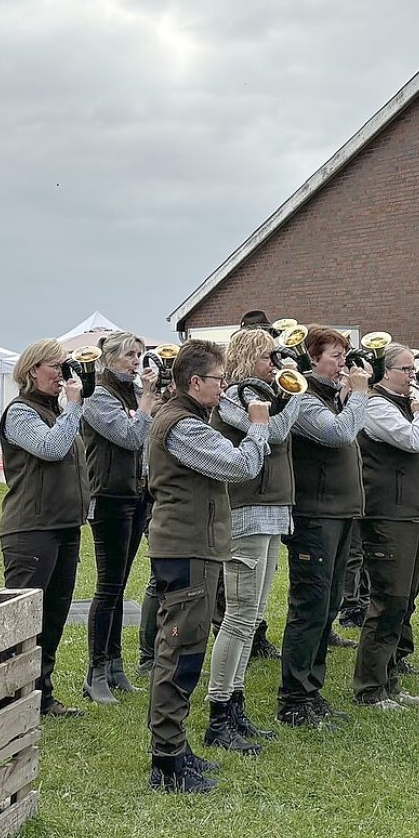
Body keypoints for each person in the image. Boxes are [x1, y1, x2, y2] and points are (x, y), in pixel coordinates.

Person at [145, 340, 270, 794]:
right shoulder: (183, 427)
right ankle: (167, 761)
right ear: (195, 382)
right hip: (187, 547)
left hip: (196, 546)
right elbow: (240, 466)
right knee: (179, 652)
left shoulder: (188, 419)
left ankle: (176, 749)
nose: (224, 387)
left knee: (187, 649)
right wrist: (257, 427)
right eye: (218, 380)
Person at [204, 328, 304, 751]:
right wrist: (296, 395)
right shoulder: (236, 397)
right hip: (246, 511)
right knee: (240, 616)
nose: (274, 364)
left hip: (271, 510)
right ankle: (219, 712)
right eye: (267, 357)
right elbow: (272, 433)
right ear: (248, 358)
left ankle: (236, 702)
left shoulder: (261, 392)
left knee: (254, 614)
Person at [277, 325, 370, 728]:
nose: (343, 365)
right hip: (314, 515)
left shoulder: (333, 396)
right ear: (311, 358)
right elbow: (337, 434)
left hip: (338, 512)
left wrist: (350, 397)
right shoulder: (305, 397)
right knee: (310, 606)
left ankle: (311, 689)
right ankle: (293, 698)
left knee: (329, 604)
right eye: (335, 356)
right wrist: (360, 396)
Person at [0, 339, 90, 720]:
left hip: (64, 526)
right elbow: (50, 448)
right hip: (31, 528)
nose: (63, 374)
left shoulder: (56, 411)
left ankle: (40, 694)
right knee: (23, 619)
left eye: (66, 366)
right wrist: (74, 408)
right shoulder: (20, 413)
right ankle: (7, 698)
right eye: (56, 366)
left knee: (53, 616)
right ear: (33, 370)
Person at [353, 343, 419, 711]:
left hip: (414, 512)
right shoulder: (375, 405)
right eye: (406, 370)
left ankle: (389, 678)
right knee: (387, 600)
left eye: (413, 369)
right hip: (390, 514)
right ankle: (369, 688)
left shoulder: (406, 405)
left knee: (404, 602)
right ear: (384, 372)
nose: (413, 376)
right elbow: (411, 440)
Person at [79, 332, 159, 706]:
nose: (136, 361)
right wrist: (145, 405)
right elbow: (128, 436)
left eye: (139, 355)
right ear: (109, 358)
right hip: (109, 496)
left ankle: (114, 666)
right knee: (107, 587)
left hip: (135, 493)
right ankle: (95, 672)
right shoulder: (98, 396)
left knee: (120, 585)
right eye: (129, 354)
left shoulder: (129, 394)